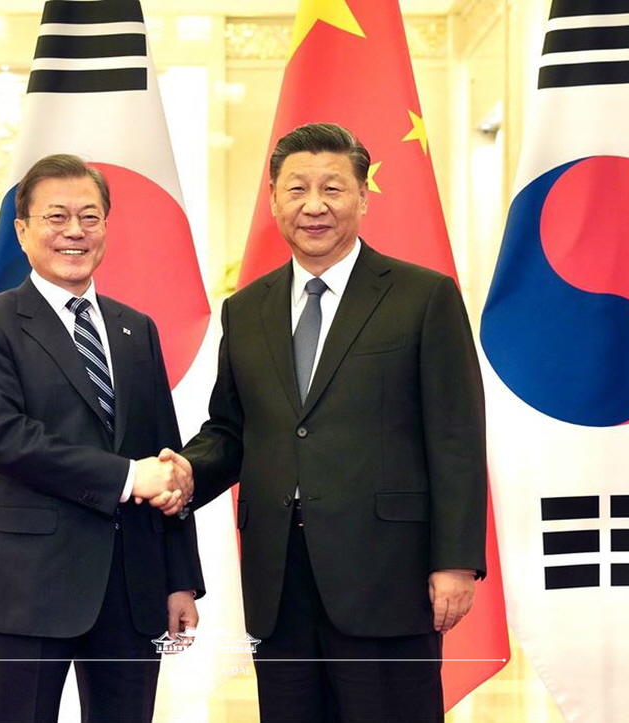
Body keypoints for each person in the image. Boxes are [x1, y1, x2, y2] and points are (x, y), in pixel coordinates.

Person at [168, 123, 487, 722]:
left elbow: (457, 438)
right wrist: (186, 470)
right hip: (280, 578)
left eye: (333, 189)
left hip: (389, 575)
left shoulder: (424, 297)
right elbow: (234, 429)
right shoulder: (246, 309)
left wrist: (456, 560)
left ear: (363, 198)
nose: (314, 206)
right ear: (273, 201)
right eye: (297, 190)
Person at [0, 153, 203, 723]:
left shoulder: (136, 328)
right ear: (22, 229)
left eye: (90, 217)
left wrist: (179, 579)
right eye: (56, 216)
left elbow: (165, 448)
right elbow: (7, 441)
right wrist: (128, 476)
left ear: (106, 228)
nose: (74, 232)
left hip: (132, 588)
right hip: (29, 587)